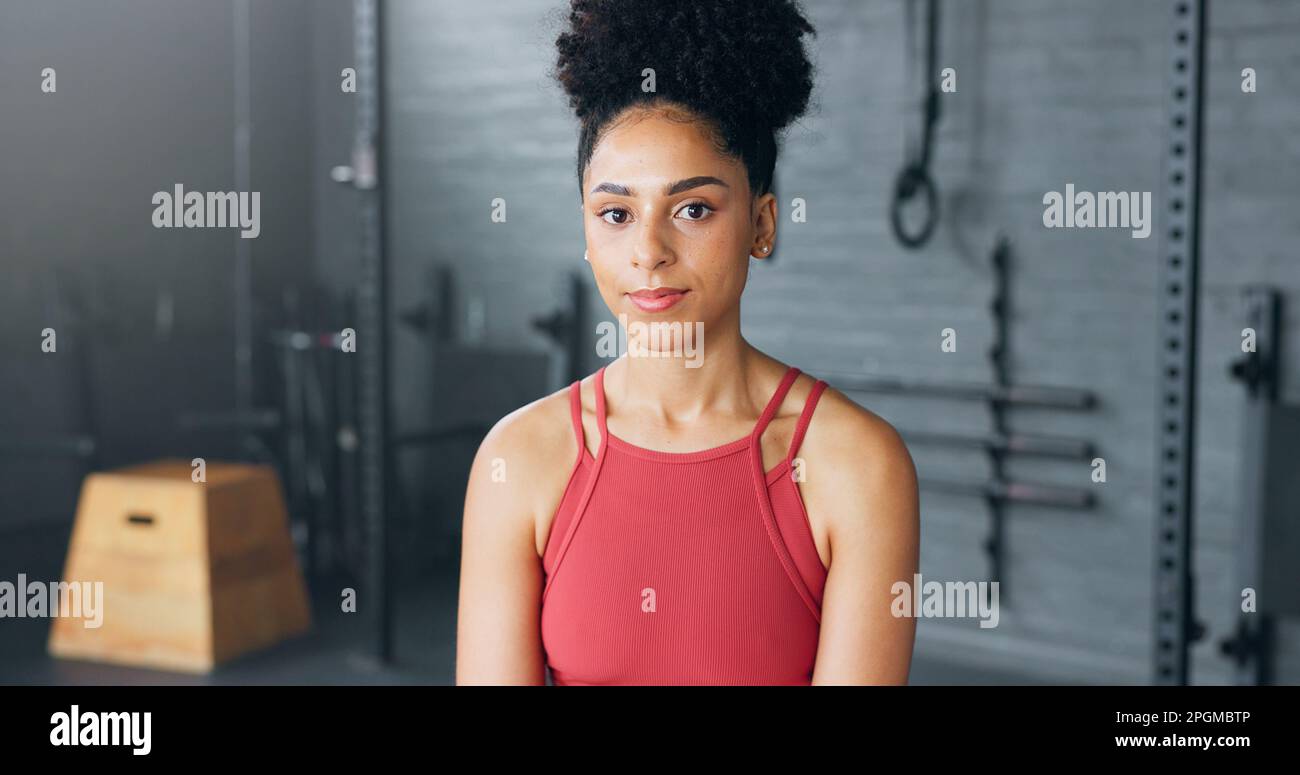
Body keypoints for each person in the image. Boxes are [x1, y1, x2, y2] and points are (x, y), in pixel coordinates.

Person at [457, 0, 919, 685]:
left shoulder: (857, 466)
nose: (649, 251)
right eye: (616, 213)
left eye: (693, 209)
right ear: (587, 232)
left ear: (762, 224)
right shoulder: (518, 460)